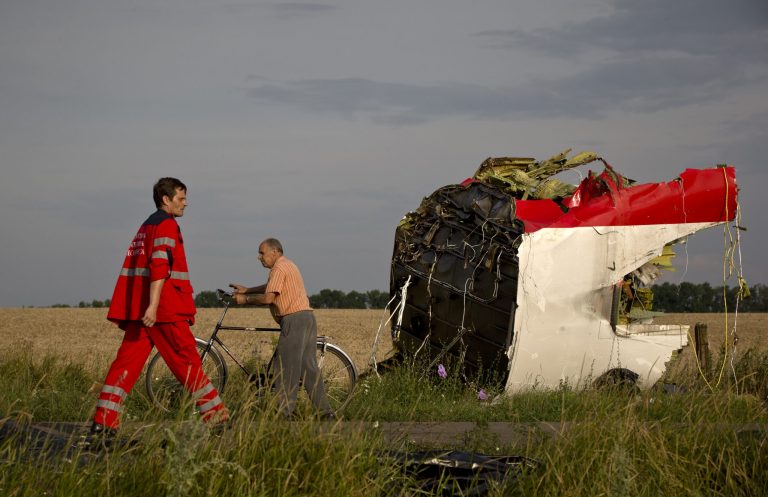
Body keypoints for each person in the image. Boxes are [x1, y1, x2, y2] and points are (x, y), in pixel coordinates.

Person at [88, 178, 228, 438]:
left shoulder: (146, 226)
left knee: (125, 364)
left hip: (141, 310)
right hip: (163, 310)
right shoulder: (166, 225)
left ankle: (103, 423)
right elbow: (159, 265)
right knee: (187, 360)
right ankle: (217, 418)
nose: (185, 203)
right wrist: (153, 307)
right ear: (167, 199)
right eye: (181, 198)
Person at [229, 238, 334, 420]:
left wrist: (244, 300)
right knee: (308, 368)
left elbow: (269, 297)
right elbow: (270, 287)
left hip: (293, 320)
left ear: (275, 252)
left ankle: (284, 414)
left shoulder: (278, 268)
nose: (259, 257)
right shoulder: (287, 265)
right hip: (307, 318)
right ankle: (326, 413)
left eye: (262, 253)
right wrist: (247, 290)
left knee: (286, 368)